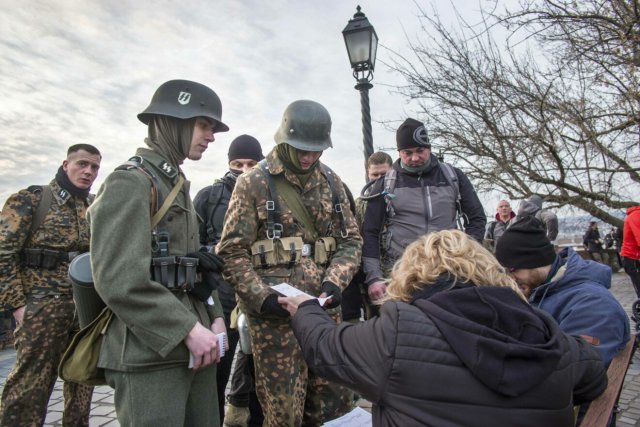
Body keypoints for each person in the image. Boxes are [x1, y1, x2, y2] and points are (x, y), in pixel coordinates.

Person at [278, 230, 607, 427]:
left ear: (412, 276)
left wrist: (305, 308)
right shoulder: (542, 329)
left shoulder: (398, 334)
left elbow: (324, 346)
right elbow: (592, 377)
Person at [89, 80, 228, 426]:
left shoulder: (175, 184)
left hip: (196, 343)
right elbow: (118, 280)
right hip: (150, 353)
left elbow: (195, 269)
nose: (211, 136)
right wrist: (186, 329)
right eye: (204, 124)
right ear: (174, 121)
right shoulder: (131, 182)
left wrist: (215, 315)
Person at [217, 99, 362, 427]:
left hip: (325, 318)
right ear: (283, 140)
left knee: (335, 409)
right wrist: (263, 299)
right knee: (284, 415)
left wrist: (335, 282)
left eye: (316, 150)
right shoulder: (253, 183)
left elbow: (351, 241)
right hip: (275, 326)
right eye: (301, 150)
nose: (309, 157)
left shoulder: (333, 182)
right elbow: (232, 252)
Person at [0, 144, 102, 426]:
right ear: (65, 164)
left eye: (94, 167)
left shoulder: (94, 206)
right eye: (82, 164)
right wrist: (18, 306)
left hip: (82, 308)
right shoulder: (32, 199)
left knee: (82, 383)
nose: (88, 172)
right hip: (42, 306)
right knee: (30, 387)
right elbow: (3, 253)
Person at [361, 118, 486, 304]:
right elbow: (369, 232)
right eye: (407, 153)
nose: (414, 158)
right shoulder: (385, 183)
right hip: (404, 274)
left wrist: (467, 255)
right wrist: (374, 278)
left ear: (429, 148)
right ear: (399, 152)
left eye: (420, 151)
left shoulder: (454, 177)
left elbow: (476, 219)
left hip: (449, 271)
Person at [193, 134, 265, 427]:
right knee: (217, 369)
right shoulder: (208, 197)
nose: (245, 169)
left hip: (261, 290)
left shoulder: (272, 194)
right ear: (228, 164)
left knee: (261, 368)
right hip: (221, 296)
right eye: (238, 163)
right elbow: (191, 246)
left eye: (251, 163)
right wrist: (210, 252)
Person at [495, 217, 629, 366]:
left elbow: (577, 369)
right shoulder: (541, 290)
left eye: (512, 270)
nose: (510, 279)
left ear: (534, 261)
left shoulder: (593, 304)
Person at [621, 206, 640, 297]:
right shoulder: (635, 215)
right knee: (637, 279)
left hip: (633, 254)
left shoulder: (635, 215)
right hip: (630, 255)